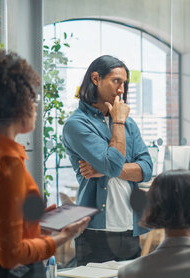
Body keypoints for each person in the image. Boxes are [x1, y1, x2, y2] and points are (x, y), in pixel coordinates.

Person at [0, 50, 126, 278]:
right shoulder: (4, 161)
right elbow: (10, 254)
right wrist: (60, 238)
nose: (35, 106)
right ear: (11, 104)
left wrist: (47, 219)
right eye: (31, 98)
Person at [63, 55, 152, 266]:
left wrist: (104, 169)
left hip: (130, 226)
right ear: (96, 78)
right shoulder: (76, 125)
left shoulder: (129, 124)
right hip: (96, 230)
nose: (122, 90)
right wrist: (118, 122)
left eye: (124, 83)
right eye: (116, 81)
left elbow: (146, 168)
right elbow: (112, 164)